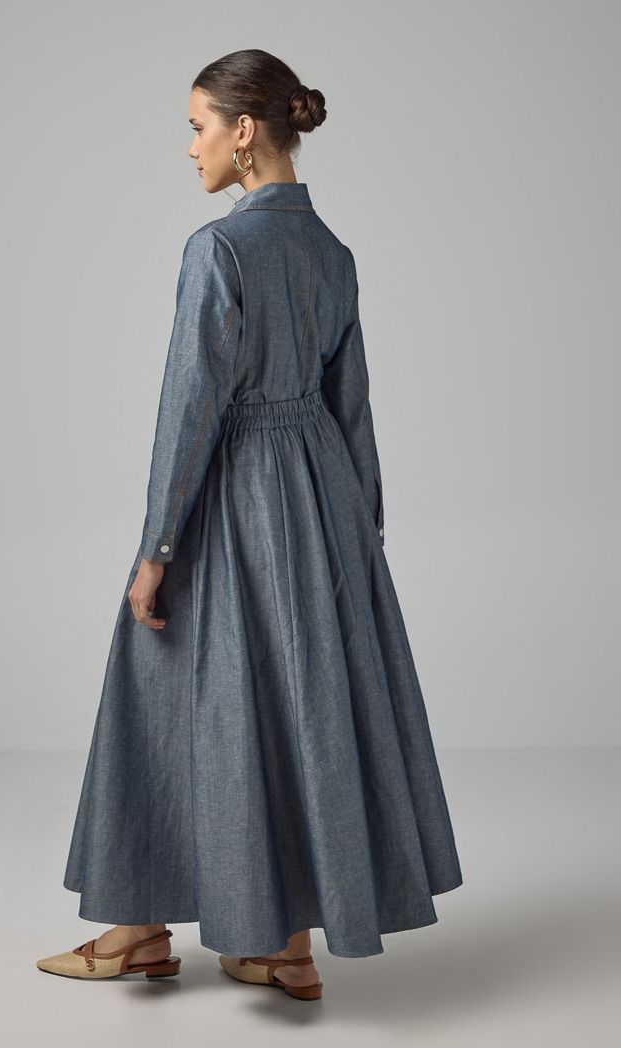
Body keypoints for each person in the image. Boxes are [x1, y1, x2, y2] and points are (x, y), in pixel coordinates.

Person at [36, 48, 463, 1002]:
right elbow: (353, 407)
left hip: (233, 491)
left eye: (197, 127)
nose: (189, 148)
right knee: (296, 702)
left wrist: (157, 547)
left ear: (242, 130)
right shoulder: (333, 253)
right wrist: (363, 535)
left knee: (161, 679)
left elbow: (189, 409)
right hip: (322, 499)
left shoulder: (218, 250)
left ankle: (139, 929)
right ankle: (282, 944)